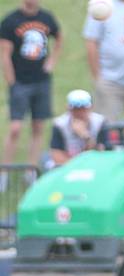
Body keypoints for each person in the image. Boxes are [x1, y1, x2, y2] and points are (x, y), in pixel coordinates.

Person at [1, 0, 61, 167]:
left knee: (38, 127)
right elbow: (4, 54)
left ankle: (31, 169)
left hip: (41, 82)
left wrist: (51, 62)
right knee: (15, 129)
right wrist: (11, 81)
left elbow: (59, 37)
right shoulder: (10, 21)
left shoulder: (46, 18)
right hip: (20, 82)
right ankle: (5, 171)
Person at [46, 89, 107, 169]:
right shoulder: (60, 125)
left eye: (83, 108)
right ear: (69, 109)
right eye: (76, 109)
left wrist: (86, 136)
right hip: (68, 167)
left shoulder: (100, 123)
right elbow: (57, 156)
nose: (80, 113)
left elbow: (102, 155)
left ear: (90, 108)